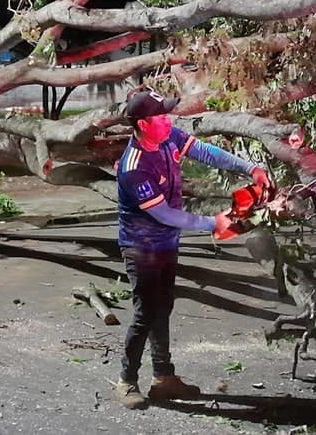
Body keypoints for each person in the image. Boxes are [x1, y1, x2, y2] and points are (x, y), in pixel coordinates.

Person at [114, 89, 270, 409]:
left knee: (164, 307)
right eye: (160, 117)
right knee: (145, 314)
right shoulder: (133, 167)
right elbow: (164, 214)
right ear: (143, 124)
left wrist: (250, 168)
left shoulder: (168, 136)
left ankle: (163, 378)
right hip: (141, 248)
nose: (168, 120)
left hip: (167, 243)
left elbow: (206, 152)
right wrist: (214, 223)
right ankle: (126, 381)